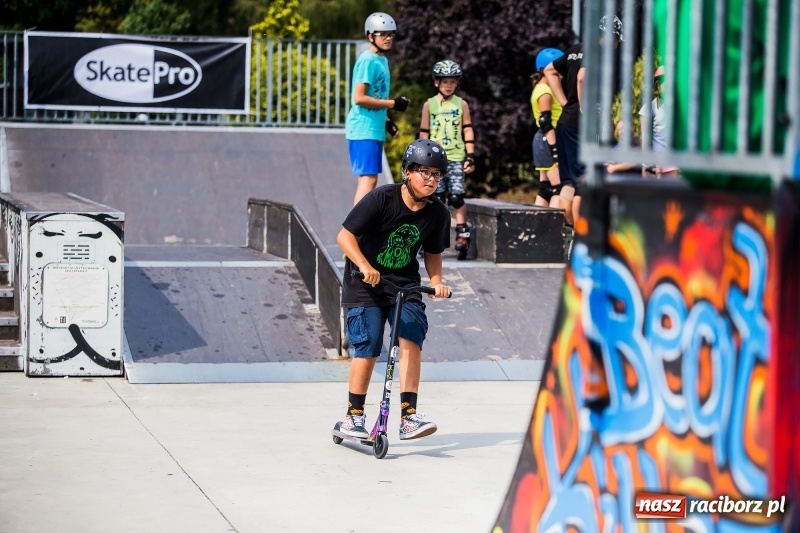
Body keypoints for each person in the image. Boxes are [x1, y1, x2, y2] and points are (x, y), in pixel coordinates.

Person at [336, 138, 453, 441]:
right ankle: (354, 416)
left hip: (405, 284)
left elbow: (433, 251)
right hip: (365, 283)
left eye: (437, 174)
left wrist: (437, 281)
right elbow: (344, 237)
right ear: (407, 172)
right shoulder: (382, 199)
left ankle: (408, 417)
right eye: (424, 173)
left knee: (410, 336)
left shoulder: (438, 212)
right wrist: (364, 265)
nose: (431, 180)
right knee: (369, 345)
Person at [544, 15, 624, 225]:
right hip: (580, 126)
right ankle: (583, 239)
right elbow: (582, 77)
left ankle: (568, 236)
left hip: (564, 122)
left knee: (568, 184)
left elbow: (549, 70)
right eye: (615, 42)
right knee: (583, 184)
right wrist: (585, 108)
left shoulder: (575, 50)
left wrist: (563, 101)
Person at [346, 12, 411, 206]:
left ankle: (358, 227)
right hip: (362, 128)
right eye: (383, 34)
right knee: (369, 179)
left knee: (369, 179)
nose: (388, 38)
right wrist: (393, 104)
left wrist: (386, 122)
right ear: (370, 36)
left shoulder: (382, 60)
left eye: (391, 34)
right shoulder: (368, 60)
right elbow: (359, 98)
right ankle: (355, 228)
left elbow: (375, 96)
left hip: (373, 127)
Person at [418, 60, 476, 260]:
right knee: (436, 199)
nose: (449, 85)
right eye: (445, 82)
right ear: (436, 83)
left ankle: (462, 234)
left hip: (457, 156)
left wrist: (470, 155)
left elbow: (467, 128)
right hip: (435, 160)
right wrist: (422, 157)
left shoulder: (462, 104)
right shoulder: (429, 104)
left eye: (452, 82)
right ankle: (428, 235)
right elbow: (424, 132)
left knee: (457, 197)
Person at [530, 48, 570, 222]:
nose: (561, 73)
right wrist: (555, 150)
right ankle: (552, 230)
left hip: (542, 139)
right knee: (558, 188)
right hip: (549, 138)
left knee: (545, 188)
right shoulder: (545, 91)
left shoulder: (541, 88)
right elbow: (546, 122)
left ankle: (536, 228)